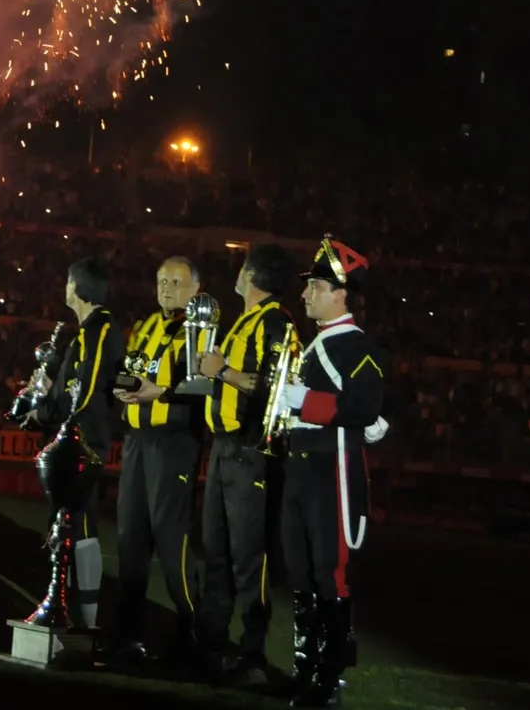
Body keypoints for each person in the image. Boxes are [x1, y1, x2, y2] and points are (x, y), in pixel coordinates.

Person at [277, 234, 388, 708]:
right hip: (301, 468)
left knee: (329, 573)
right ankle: (305, 665)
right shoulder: (314, 344)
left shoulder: (357, 347)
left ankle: (329, 673)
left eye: (315, 287)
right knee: (300, 571)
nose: (305, 295)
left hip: (331, 472)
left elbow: (364, 406)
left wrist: (305, 402)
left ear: (340, 293)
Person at [195, 244, 297, 687]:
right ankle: (213, 647)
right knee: (215, 553)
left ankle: (252, 656)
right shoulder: (249, 320)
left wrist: (222, 372)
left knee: (246, 559)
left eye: (242, 267)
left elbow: (279, 388)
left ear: (252, 274)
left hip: (249, 452)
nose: (236, 273)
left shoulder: (278, 321)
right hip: (224, 450)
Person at [109, 256, 204, 666]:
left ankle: (196, 637)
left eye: (176, 282)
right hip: (136, 442)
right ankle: (127, 637)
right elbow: (132, 371)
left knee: (171, 541)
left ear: (195, 289)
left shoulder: (198, 330)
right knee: (130, 540)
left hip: (173, 443)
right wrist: (123, 388)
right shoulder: (146, 325)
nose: (167, 288)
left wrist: (159, 393)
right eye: (162, 280)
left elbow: (200, 387)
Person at [28, 256, 124, 629]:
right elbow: (74, 387)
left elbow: (84, 392)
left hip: (83, 441)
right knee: (72, 523)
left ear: (78, 287)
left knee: (79, 524)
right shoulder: (87, 331)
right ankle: (71, 608)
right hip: (75, 437)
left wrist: (49, 411)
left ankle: (85, 617)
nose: (64, 287)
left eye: (68, 281)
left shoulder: (98, 330)